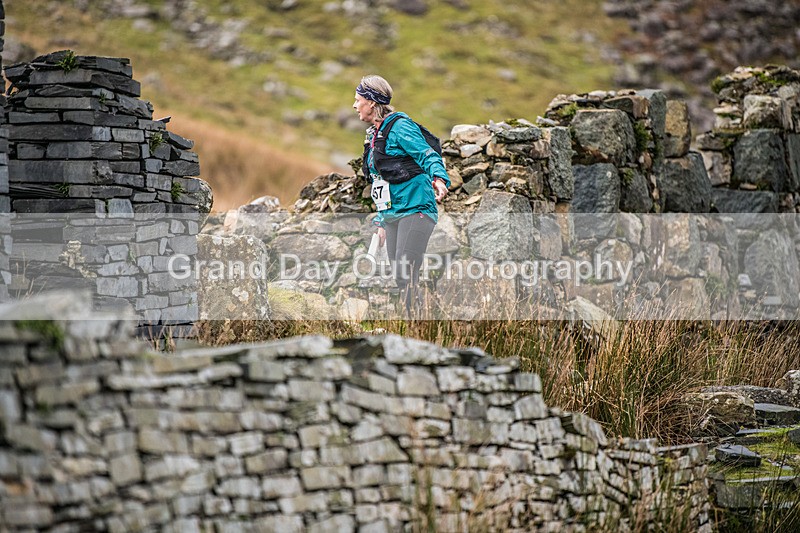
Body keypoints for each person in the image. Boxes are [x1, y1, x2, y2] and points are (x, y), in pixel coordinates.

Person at [353, 74, 450, 315]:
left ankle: (420, 326)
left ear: (371, 103)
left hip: (416, 208)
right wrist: (381, 222)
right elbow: (381, 182)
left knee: (405, 271)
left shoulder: (400, 127)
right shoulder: (373, 135)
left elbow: (427, 154)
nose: (354, 106)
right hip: (392, 214)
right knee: (400, 277)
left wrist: (439, 179)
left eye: (357, 100)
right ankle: (413, 325)